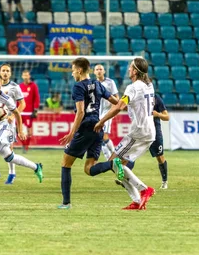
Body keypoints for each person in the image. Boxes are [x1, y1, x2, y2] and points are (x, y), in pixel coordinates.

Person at [92, 58, 156, 210]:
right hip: (149, 131)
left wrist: (102, 121)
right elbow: (135, 105)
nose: (128, 69)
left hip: (139, 132)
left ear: (135, 71)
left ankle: (143, 189)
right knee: (120, 165)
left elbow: (119, 106)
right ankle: (137, 201)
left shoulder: (133, 87)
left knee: (114, 162)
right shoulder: (149, 85)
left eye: (130, 67)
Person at [57, 57, 119, 209]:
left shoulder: (78, 86)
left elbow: (80, 112)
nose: (72, 73)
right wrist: (103, 120)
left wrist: (72, 133)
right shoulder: (98, 84)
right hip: (98, 128)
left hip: (85, 129)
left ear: (79, 70)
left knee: (65, 163)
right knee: (89, 169)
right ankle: (111, 164)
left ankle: (66, 203)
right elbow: (116, 102)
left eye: (73, 70)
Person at [0, 63, 25, 184]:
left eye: (7, 71)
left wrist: (13, 115)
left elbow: (22, 104)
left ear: (10, 73)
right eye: (3, 70)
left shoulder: (15, 87)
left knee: (9, 148)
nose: (5, 73)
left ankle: (11, 173)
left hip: (9, 122)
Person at [94, 64, 119, 160]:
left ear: (104, 71)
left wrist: (113, 109)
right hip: (97, 112)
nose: (99, 71)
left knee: (104, 135)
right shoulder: (93, 83)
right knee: (99, 136)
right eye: (97, 69)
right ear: (94, 72)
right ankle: (109, 159)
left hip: (107, 112)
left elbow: (117, 98)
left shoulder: (110, 82)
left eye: (101, 69)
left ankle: (114, 155)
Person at [150, 94, 169, 189]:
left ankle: (164, 181)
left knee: (160, 157)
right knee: (132, 155)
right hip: (141, 130)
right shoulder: (138, 96)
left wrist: (158, 114)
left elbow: (167, 117)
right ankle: (124, 179)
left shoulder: (156, 98)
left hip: (155, 131)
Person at [19, 69, 40, 152]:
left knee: (29, 131)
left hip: (29, 112)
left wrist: (35, 109)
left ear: (29, 76)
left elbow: (36, 98)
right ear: (22, 76)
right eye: (24, 75)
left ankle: (26, 146)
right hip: (20, 111)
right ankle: (23, 144)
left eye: (27, 75)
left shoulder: (33, 86)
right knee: (17, 130)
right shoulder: (19, 86)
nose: (25, 77)